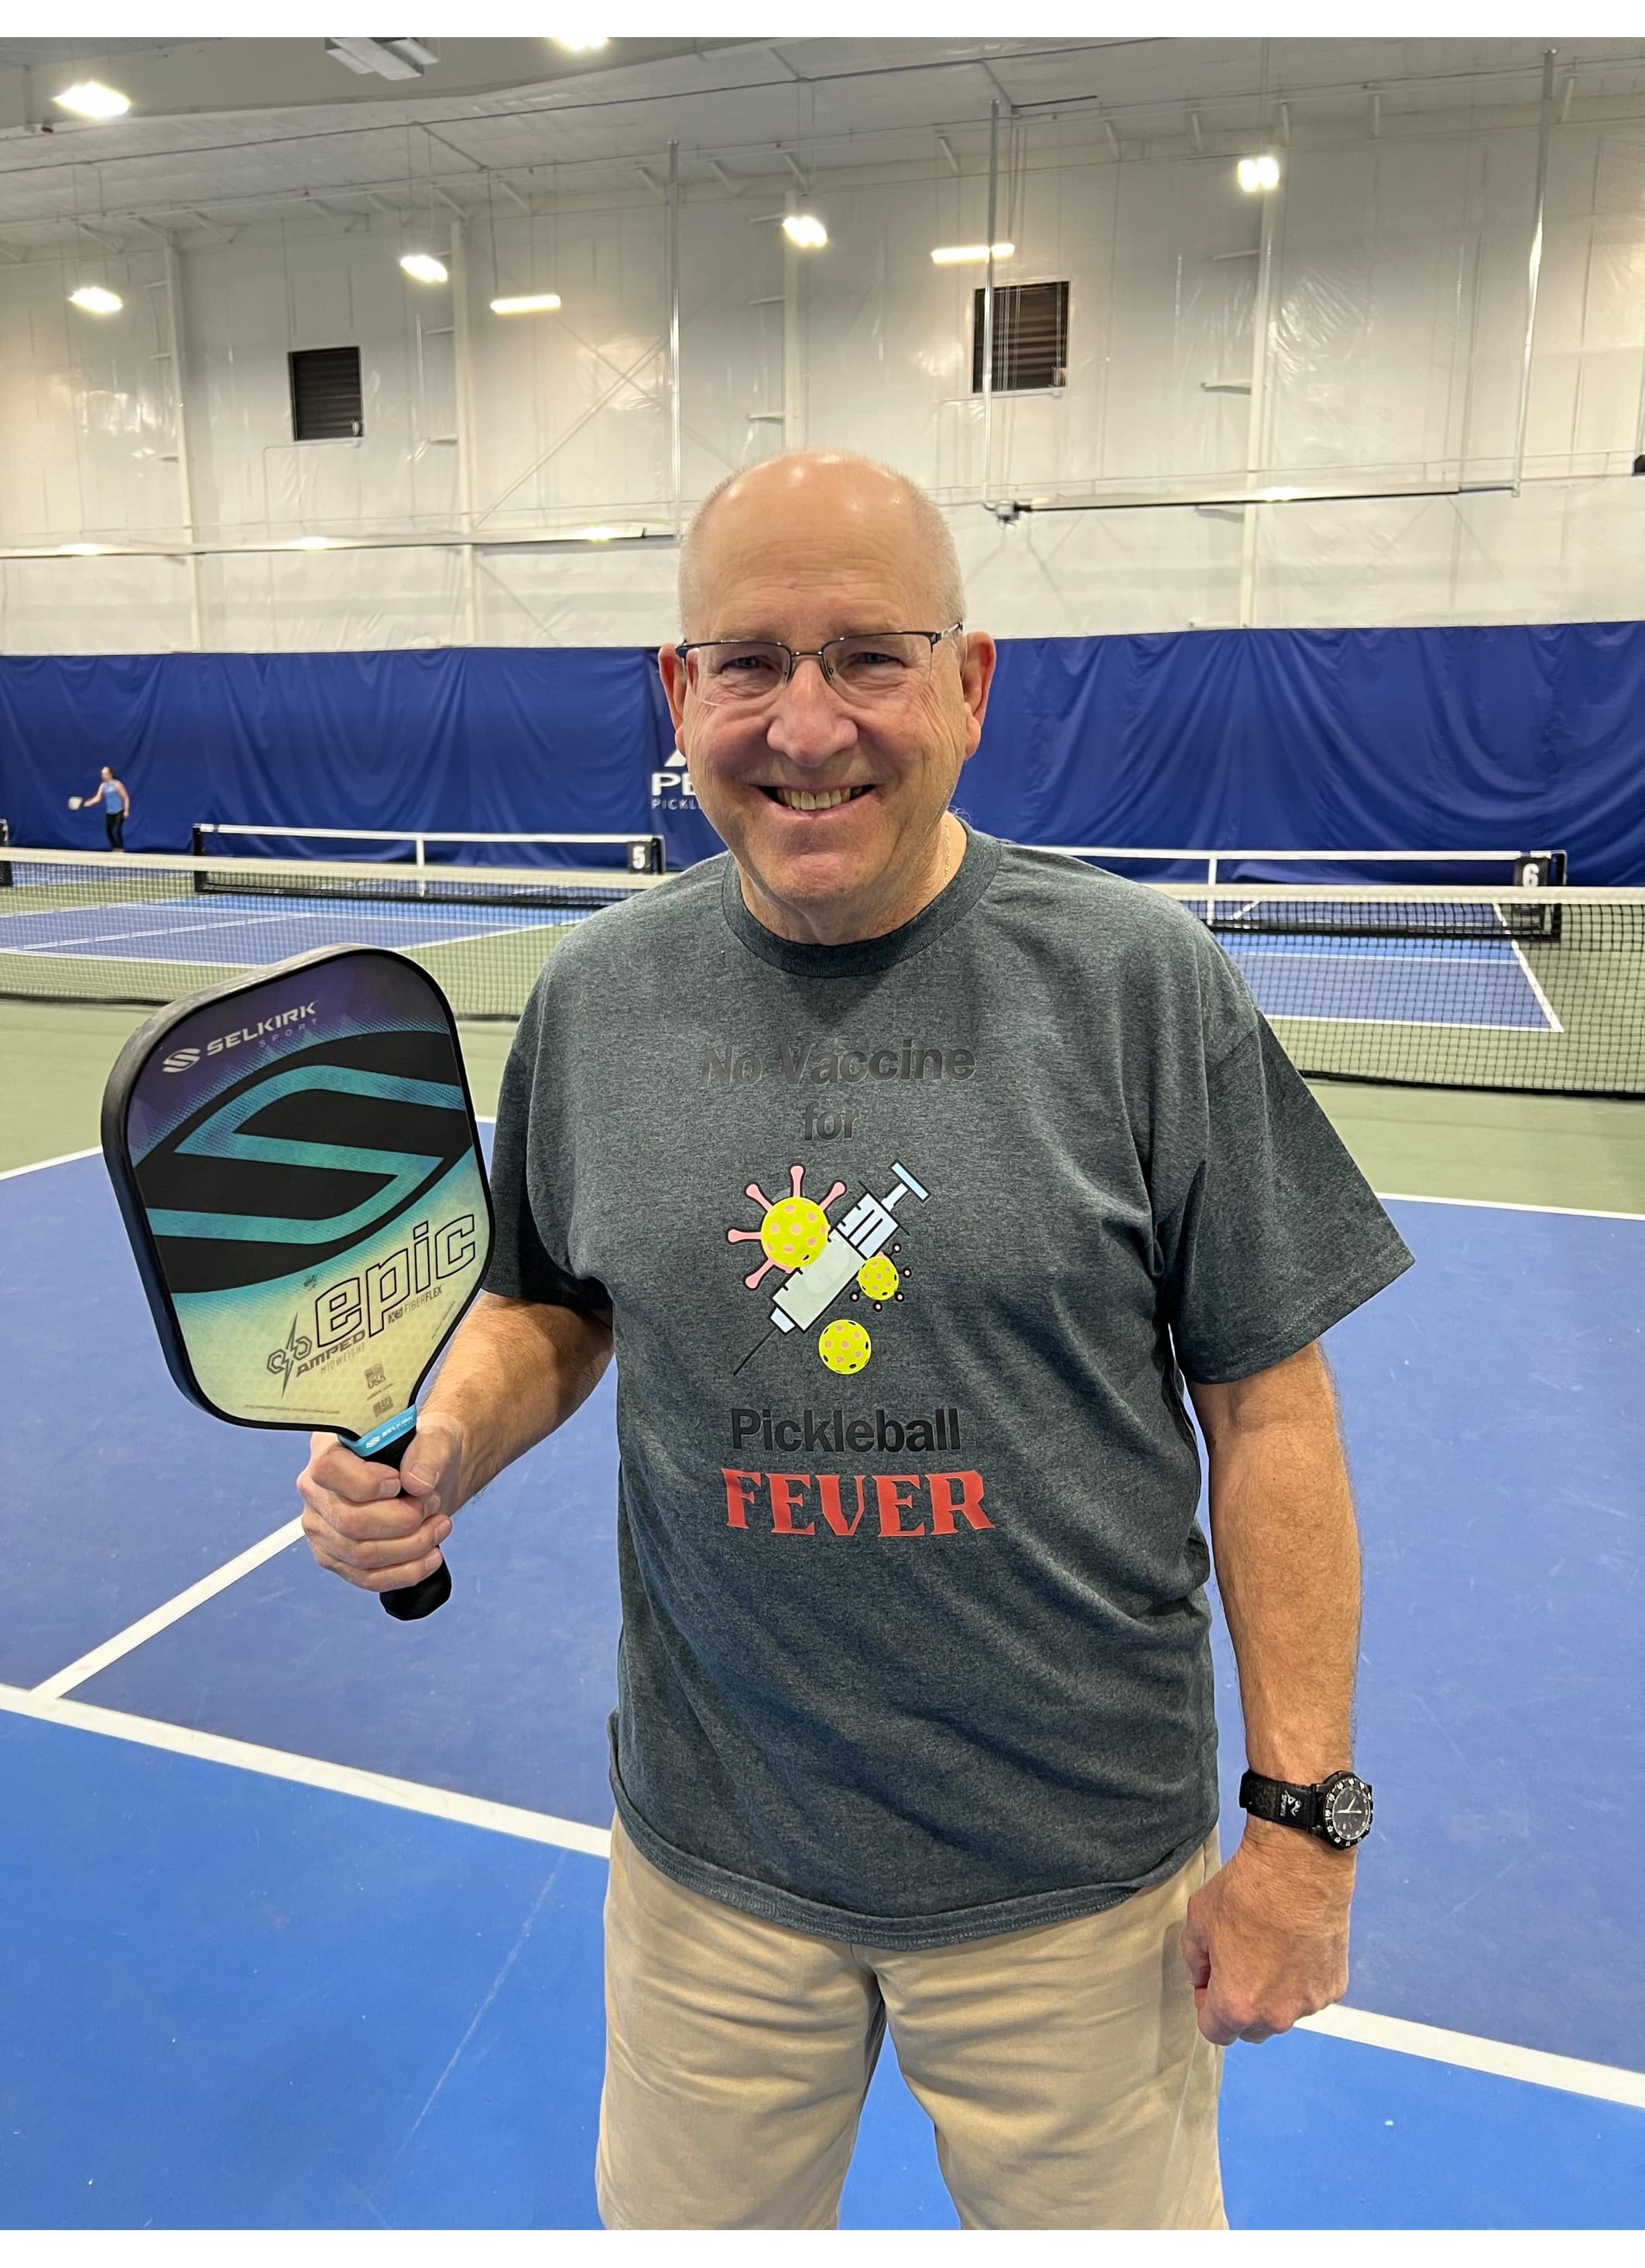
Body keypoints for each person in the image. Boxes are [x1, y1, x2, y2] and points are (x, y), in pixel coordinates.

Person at [297, 451, 1413, 2231]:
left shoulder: (1139, 984)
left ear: (968, 686)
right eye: (746, 661)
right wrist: (444, 1442)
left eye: (868, 658)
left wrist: (1299, 1824)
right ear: (679, 697)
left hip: (1076, 1888)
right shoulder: (595, 999)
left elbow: (1267, 1412)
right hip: (711, 1875)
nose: (804, 723)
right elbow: (548, 1299)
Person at [86, 766, 129, 851]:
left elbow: (126, 797)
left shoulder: (117, 784)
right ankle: (115, 848)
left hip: (120, 810)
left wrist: (126, 811)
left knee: (117, 830)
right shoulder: (103, 786)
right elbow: (98, 798)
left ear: (110, 774)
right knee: (108, 831)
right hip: (110, 812)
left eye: (105, 773)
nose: (103, 775)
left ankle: (120, 849)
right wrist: (89, 803)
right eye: (102, 773)